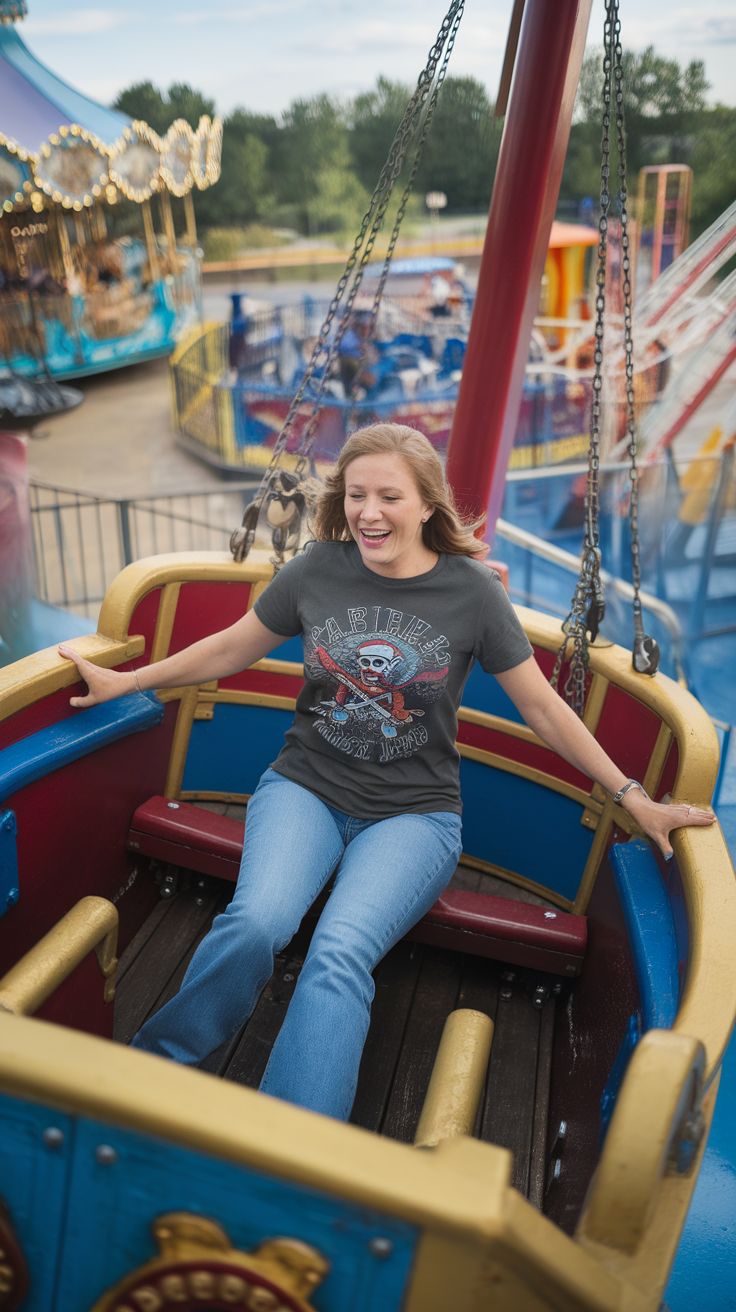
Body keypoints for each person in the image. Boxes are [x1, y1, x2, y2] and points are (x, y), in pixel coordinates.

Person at [58, 423, 715, 1122]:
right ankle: (157, 1066)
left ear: (429, 504)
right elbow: (228, 649)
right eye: (356, 494)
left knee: (339, 951)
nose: (369, 512)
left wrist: (632, 796)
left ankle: (299, 1142)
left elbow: (544, 710)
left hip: (414, 815)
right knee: (257, 921)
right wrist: (128, 683)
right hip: (305, 789)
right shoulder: (317, 569)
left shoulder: (471, 594)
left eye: (390, 497)